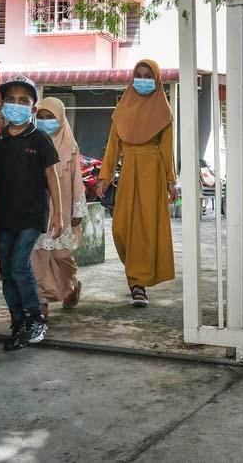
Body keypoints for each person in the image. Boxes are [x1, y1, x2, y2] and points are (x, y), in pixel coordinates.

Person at [0, 75, 64, 351]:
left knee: (19, 264)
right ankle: (17, 321)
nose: (15, 105)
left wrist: (59, 214)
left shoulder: (40, 139)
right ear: (2, 104)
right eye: (10, 100)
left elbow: (52, 177)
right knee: (6, 270)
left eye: (23, 101)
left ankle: (35, 318)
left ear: (32, 109)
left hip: (32, 215)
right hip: (5, 216)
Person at [95, 60, 178, 307]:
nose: (142, 79)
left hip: (152, 173)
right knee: (121, 227)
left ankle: (137, 284)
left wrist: (171, 181)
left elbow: (167, 150)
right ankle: (136, 272)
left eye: (148, 75)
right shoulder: (123, 109)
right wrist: (105, 176)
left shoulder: (164, 112)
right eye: (138, 75)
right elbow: (113, 146)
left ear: (157, 80)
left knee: (145, 229)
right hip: (129, 170)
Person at [32, 97, 85, 316]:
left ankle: (72, 284)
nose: (45, 122)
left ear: (61, 119)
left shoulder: (70, 146)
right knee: (38, 258)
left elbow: (76, 181)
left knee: (63, 256)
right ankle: (41, 301)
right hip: (38, 210)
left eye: (50, 118)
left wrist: (77, 211)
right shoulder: (31, 142)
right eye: (40, 117)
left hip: (62, 210)